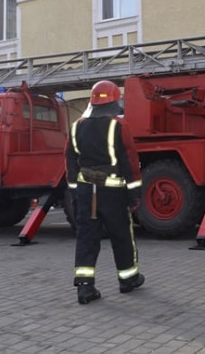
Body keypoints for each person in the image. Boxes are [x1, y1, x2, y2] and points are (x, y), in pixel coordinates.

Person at [65, 80, 145, 305]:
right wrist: (134, 194)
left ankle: (85, 288)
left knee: (86, 238)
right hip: (111, 192)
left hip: (84, 191)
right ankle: (128, 280)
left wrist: (73, 194)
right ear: (113, 101)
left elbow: (70, 162)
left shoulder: (75, 127)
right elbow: (130, 162)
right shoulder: (118, 126)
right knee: (121, 236)